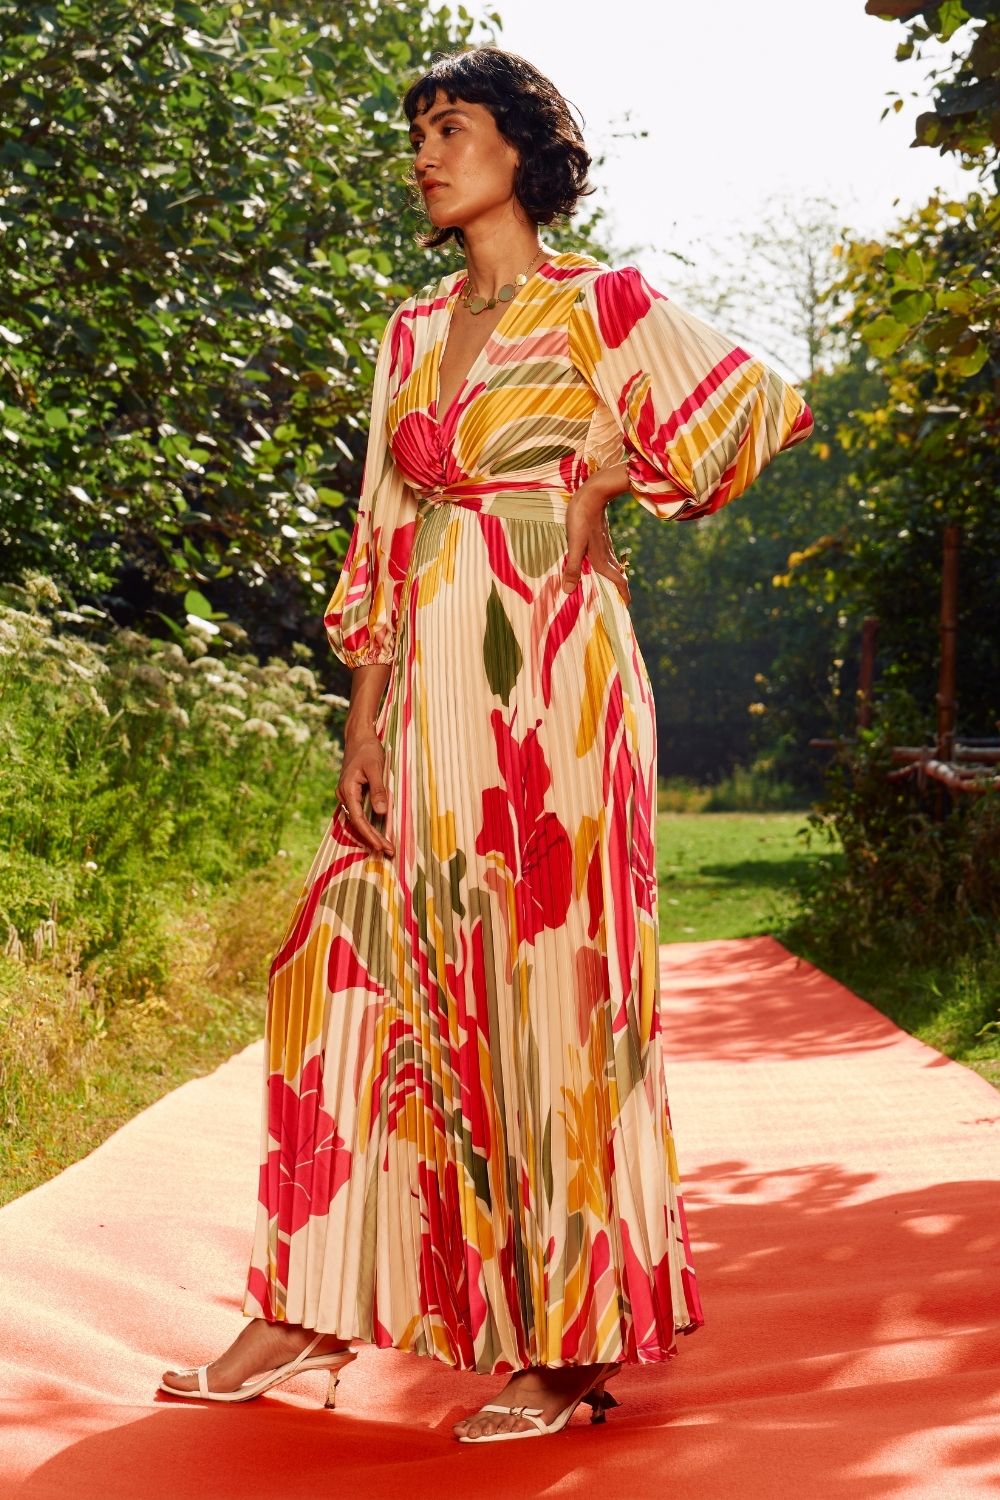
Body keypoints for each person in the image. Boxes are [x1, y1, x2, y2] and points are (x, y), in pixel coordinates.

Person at [160, 45, 813, 1443]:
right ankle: (316, 1300)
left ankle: (569, 1344)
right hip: (425, 678)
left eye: (450, 127)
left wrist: (619, 478)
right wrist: (363, 720)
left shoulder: (599, 303)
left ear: (521, 147)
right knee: (359, 962)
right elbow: (382, 533)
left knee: (553, 996)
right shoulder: (409, 331)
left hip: (558, 679)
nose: (425, 154)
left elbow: (756, 407)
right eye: (417, 132)